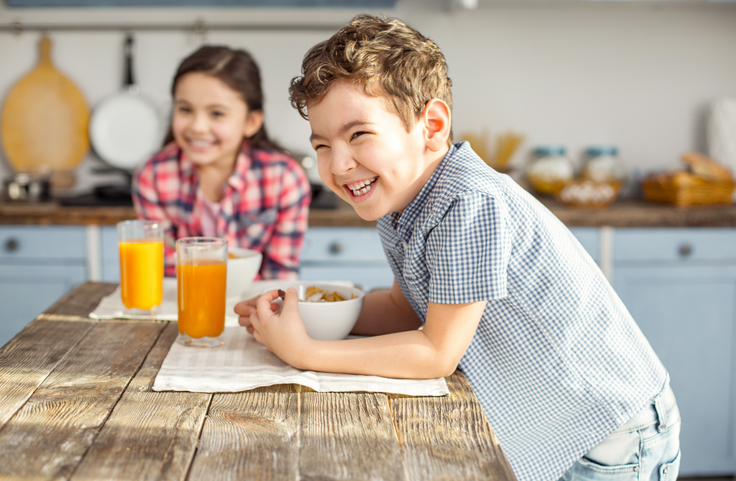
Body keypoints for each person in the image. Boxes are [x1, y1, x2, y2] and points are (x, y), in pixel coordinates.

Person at [234, 15, 680, 481]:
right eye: (322, 145)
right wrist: (300, 311)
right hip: (567, 430)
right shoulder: (400, 202)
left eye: (358, 134)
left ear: (431, 125)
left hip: (610, 435)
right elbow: (404, 310)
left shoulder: (468, 200)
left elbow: (435, 353)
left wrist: (305, 351)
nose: (338, 164)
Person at [132, 46, 311, 279]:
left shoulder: (285, 178)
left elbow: (279, 275)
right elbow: (165, 273)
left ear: (251, 121)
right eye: (185, 109)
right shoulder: (153, 176)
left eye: (216, 113)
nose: (197, 126)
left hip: (254, 309)